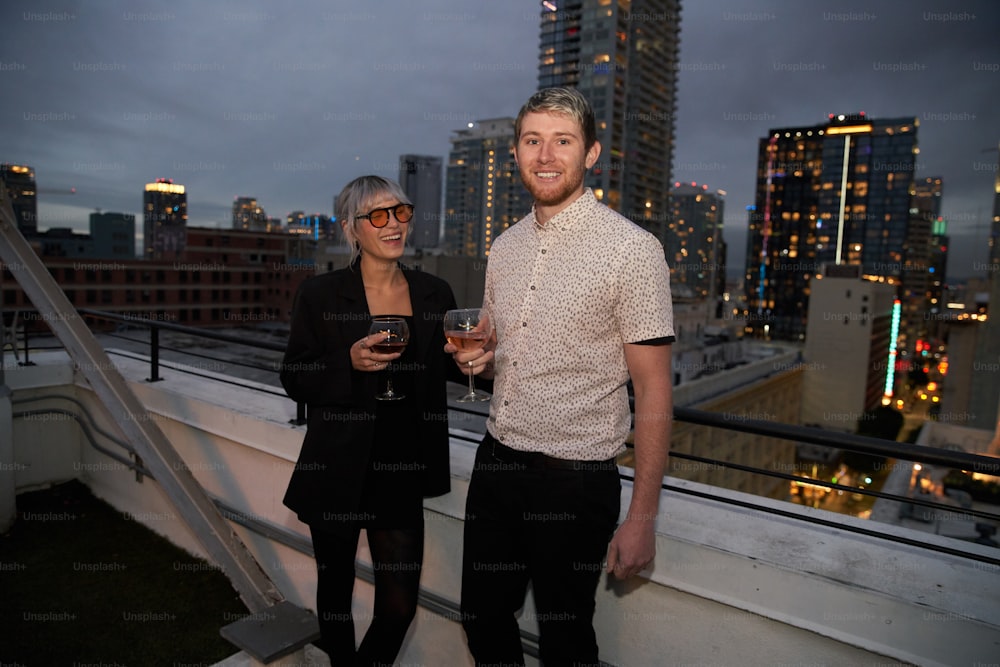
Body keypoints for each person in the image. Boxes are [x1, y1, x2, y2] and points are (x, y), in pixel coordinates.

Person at [447, 87, 675, 666]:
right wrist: (479, 361)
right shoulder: (504, 246)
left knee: (566, 641)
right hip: (496, 462)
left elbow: (653, 392)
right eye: (532, 141)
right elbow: (504, 353)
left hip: (574, 483)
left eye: (562, 142)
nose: (545, 156)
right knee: (481, 619)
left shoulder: (633, 250)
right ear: (517, 153)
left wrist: (642, 519)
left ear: (591, 153)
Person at [281, 175, 459, 666]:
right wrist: (349, 364)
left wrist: (478, 358)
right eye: (378, 216)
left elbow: (449, 364)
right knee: (335, 600)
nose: (394, 224)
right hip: (336, 466)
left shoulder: (433, 292)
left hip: (401, 467)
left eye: (400, 212)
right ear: (351, 228)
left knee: (398, 606)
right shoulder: (320, 294)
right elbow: (295, 375)